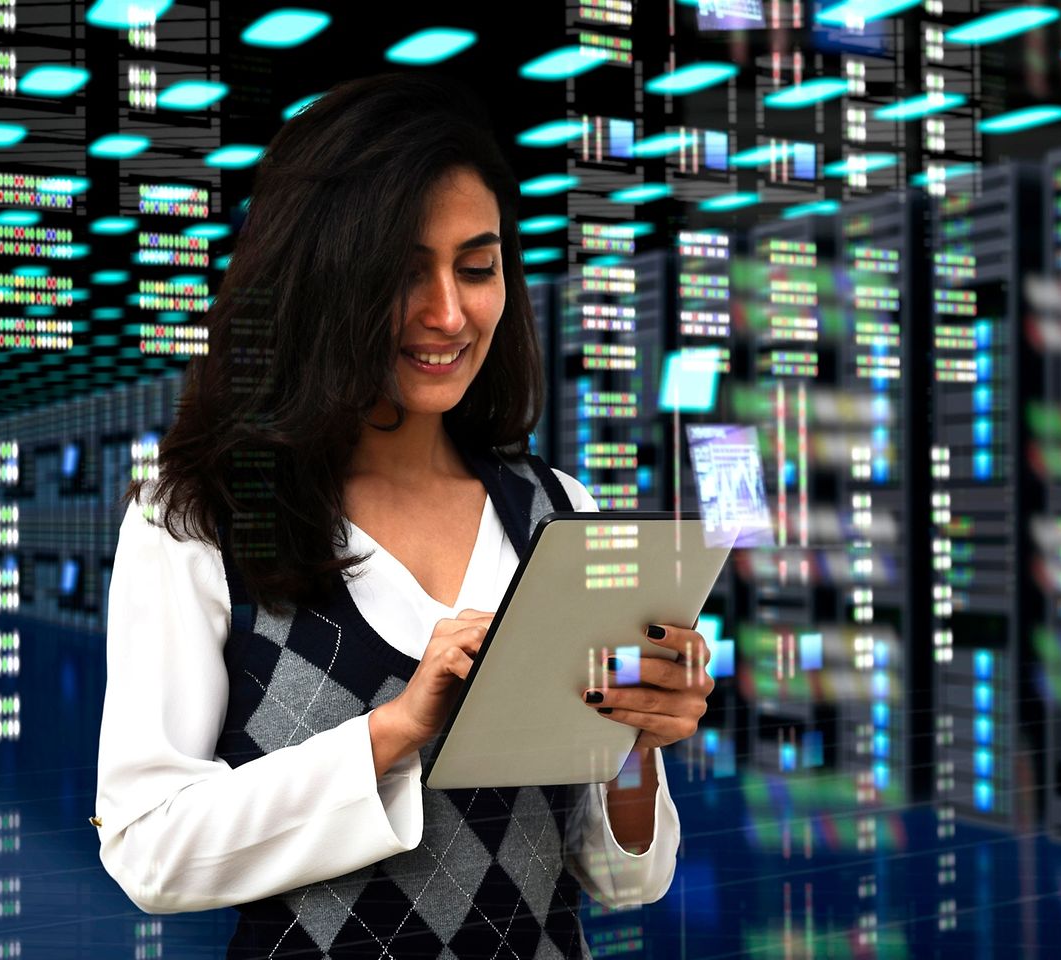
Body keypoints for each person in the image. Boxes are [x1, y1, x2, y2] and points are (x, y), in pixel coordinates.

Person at [93, 72, 714, 959]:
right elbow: (148, 847)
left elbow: (623, 880)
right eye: (400, 272)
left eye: (476, 266)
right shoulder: (198, 517)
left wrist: (635, 740)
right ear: (317, 278)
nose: (449, 314)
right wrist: (393, 733)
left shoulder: (559, 512)